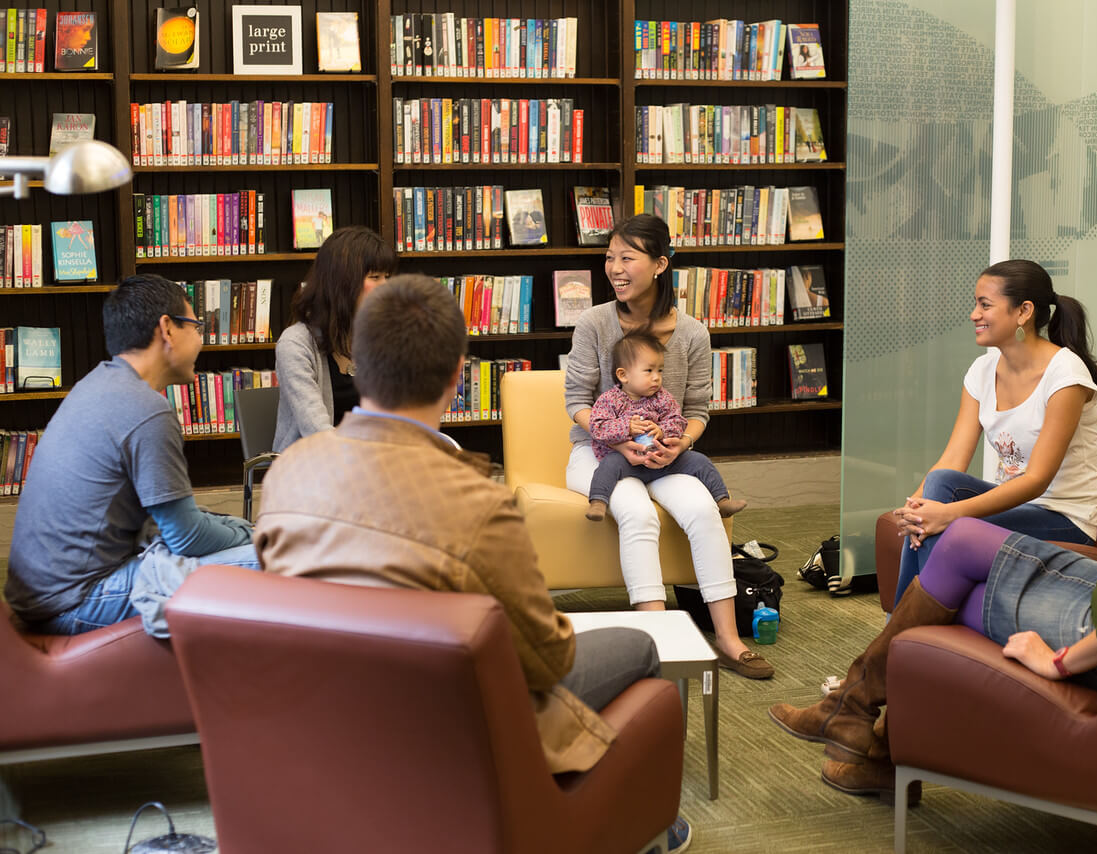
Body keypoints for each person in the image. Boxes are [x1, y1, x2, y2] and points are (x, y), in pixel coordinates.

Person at [769, 261, 1097, 799]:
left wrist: (1058, 662)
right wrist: (927, 507)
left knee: (950, 574)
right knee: (952, 527)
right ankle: (858, 714)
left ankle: (867, 721)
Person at [253, 274, 691, 853]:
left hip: (330, 728)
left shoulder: (286, 474)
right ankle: (638, 822)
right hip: (443, 725)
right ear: (459, 374)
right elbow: (545, 658)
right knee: (641, 646)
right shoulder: (476, 502)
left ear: (360, 361)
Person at [564, 213, 774, 680]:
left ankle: (728, 640)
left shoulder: (694, 333)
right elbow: (576, 401)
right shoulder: (595, 323)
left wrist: (681, 445)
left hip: (664, 452)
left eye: (627, 257)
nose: (615, 268)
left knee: (704, 510)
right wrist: (619, 439)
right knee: (636, 514)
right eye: (609, 258)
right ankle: (658, 642)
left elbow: (698, 408)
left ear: (659, 265)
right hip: (601, 453)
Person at [4, 274, 258, 636]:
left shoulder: (96, 383)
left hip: (41, 595)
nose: (202, 339)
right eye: (196, 326)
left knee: (245, 539)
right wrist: (248, 533)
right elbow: (185, 538)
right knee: (279, 557)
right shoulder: (146, 408)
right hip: (75, 600)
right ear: (167, 329)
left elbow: (173, 523)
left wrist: (237, 529)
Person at [890, 259, 1097, 607]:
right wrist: (915, 507)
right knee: (937, 490)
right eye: (975, 303)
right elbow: (952, 459)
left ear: (1024, 311)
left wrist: (949, 514)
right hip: (1015, 507)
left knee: (943, 515)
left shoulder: (1065, 374)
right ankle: (908, 630)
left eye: (985, 305)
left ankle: (901, 631)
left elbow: (1037, 480)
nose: (973, 314)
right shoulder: (982, 370)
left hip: (1064, 520)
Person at [586, 330, 747, 521]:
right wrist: (626, 427)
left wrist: (662, 430)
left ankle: (721, 501)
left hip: (664, 459)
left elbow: (678, 421)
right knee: (608, 466)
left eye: (659, 370)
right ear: (623, 375)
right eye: (649, 370)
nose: (656, 377)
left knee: (699, 461)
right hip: (626, 460)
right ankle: (598, 502)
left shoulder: (663, 398)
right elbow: (597, 427)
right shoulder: (610, 400)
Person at [273, 225, 396, 452]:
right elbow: (316, 428)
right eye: (375, 277)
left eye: (387, 277)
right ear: (342, 283)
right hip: (311, 466)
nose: (386, 287)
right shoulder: (295, 344)